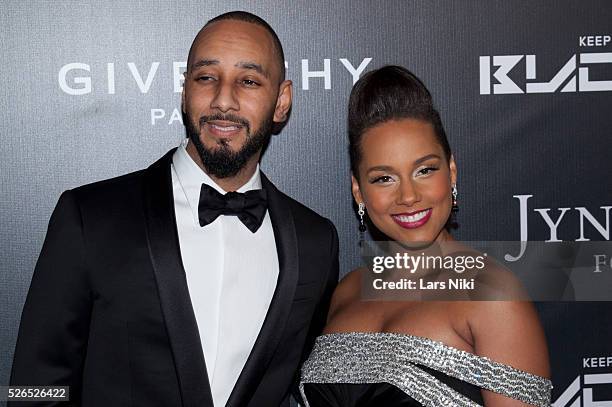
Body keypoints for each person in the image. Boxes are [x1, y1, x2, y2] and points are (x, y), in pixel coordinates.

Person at [10, 11, 339, 407]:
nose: (223, 99)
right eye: (206, 78)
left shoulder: (315, 242)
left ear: (281, 101)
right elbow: (32, 389)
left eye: (249, 81)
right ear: (185, 91)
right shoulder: (89, 217)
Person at [299, 66, 551, 406]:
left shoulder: (492, 297)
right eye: (383, 178)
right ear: (358, 190)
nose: (408, 196)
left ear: (451, 171)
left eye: (424, 170)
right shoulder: (347, 291)